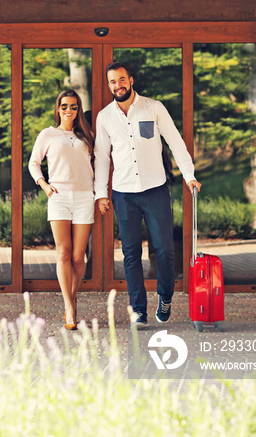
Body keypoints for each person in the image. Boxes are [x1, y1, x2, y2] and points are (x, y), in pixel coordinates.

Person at [94, 62, 201, 328]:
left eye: (121, 79)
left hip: (155, 190)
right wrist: (101, 193)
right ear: (108, 85)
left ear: (130, 80)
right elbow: (100, 157)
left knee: (164, 249)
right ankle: (138, 310)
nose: (117, 85)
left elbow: (175, 141)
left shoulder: (154, 108)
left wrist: (190, 175)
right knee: (131, 253)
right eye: (112, 82)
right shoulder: (105, 116)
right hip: (123, 193)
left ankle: (165, 297)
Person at [29, 89, 95, 330]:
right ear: (58, 109)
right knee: (63, 253)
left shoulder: (87, 135)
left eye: (74, 106)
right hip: (58, 197)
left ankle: (72, 295)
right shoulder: (48, 134)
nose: (69, 110)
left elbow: (96, 165)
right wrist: (44, 185)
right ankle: (69, 306)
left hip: (84, 196)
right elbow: (33, 163)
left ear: (78, 110)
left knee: (79, 256)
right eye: (65, 106)